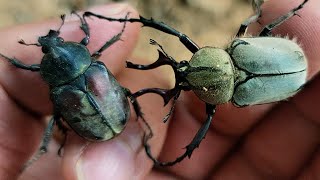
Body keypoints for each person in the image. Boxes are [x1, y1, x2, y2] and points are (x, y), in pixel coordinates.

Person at [0, 1, 319, 179]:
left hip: (282, 72)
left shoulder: (232, 79)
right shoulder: (236, 77)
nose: (180, 70)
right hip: (280, 76)